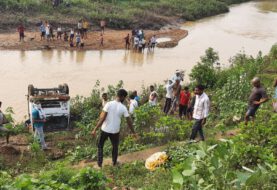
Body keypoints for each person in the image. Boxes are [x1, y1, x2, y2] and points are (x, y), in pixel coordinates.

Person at [91, 89, 136, 168]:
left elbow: (102, 118)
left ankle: (99, 165)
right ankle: (114, 163)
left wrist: (95, 129)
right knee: (115, 147)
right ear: (122, 97)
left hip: (105, 129)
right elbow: (129, 121)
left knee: (100, 145)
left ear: (117, 95)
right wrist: (133, 132)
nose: (125, 99)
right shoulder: (123, 108)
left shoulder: (109, 104)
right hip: (115, 131)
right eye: (125, 98)